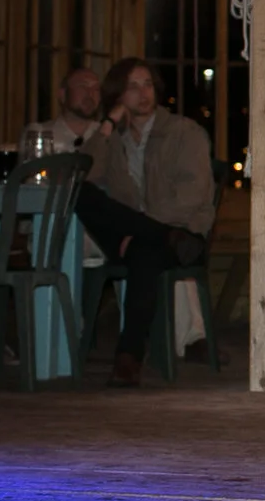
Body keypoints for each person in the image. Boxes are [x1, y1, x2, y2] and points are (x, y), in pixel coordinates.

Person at [83, 58, 216, 388]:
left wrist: (140, 229)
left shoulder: (184, 132)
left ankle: (128, 357)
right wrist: (107, 124)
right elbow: (84, 172)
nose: (143, 93)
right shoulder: (115, 140)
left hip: (183, 233)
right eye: (132, 86)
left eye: (147, 84)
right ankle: (157, 235)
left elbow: (191, 197)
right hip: (147, 236)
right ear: (117, 94)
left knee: (145, 253)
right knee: (81, 193)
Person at [27, 66, 106, 155]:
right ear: (63, 94)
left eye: (96, 89)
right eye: (82, 87)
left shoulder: (107, 135)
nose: (90, 94)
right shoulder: (40, 134)